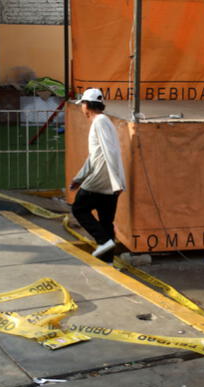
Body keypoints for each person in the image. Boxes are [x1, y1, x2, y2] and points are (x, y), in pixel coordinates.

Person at [70, 88, 126, 261]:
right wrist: (79, 177)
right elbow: (95, 156)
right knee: (106, 222)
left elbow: (110, 153)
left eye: (83, 104)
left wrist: (116, 182)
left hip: (102, 179)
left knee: (79, 208)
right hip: (110, 182)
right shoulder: (104, 121)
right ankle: (108, 260)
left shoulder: (100, 122)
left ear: (87, 105)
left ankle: (103, 241)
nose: (82, 108)